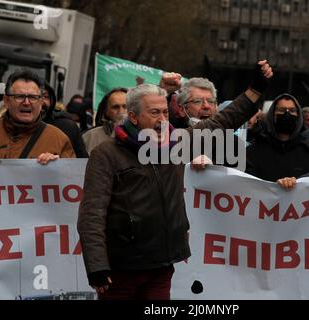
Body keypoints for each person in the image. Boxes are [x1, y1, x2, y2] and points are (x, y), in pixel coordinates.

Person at [77, 60, 273, 300]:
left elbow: (223, 121)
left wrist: (255, 89)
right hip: (121, 269)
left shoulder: (177, 143)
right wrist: (97, 266)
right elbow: (91, 214)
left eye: (165, 112)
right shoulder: (106, 154)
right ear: (133, 117)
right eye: (154, 112)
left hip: (162, 265)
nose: (162, 119)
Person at [0, 69, 75, 163]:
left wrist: (58, 167)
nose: (26, 102)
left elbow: (72, 179)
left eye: (33, 97)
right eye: (19, 96)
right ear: (6, 101)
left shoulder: (58, 140)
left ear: (41, 101)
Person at [246, 93, 309, 182]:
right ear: (272, 115)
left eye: (292, 110)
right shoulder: (254, 150)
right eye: (281, 110)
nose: (286, 114)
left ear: (298, 116)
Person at [42, 82, 89, 158]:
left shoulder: (68, 127)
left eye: (45, 96)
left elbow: (81, 163)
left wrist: (59, 162)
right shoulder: (16, 128)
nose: (39, 101)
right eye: (33, 96)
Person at [82, 88, 128, 154]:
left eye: (125, 106)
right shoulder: (91, 137)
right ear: (106, 112)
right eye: (115, 107)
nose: (121, 111)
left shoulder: (143, 135)